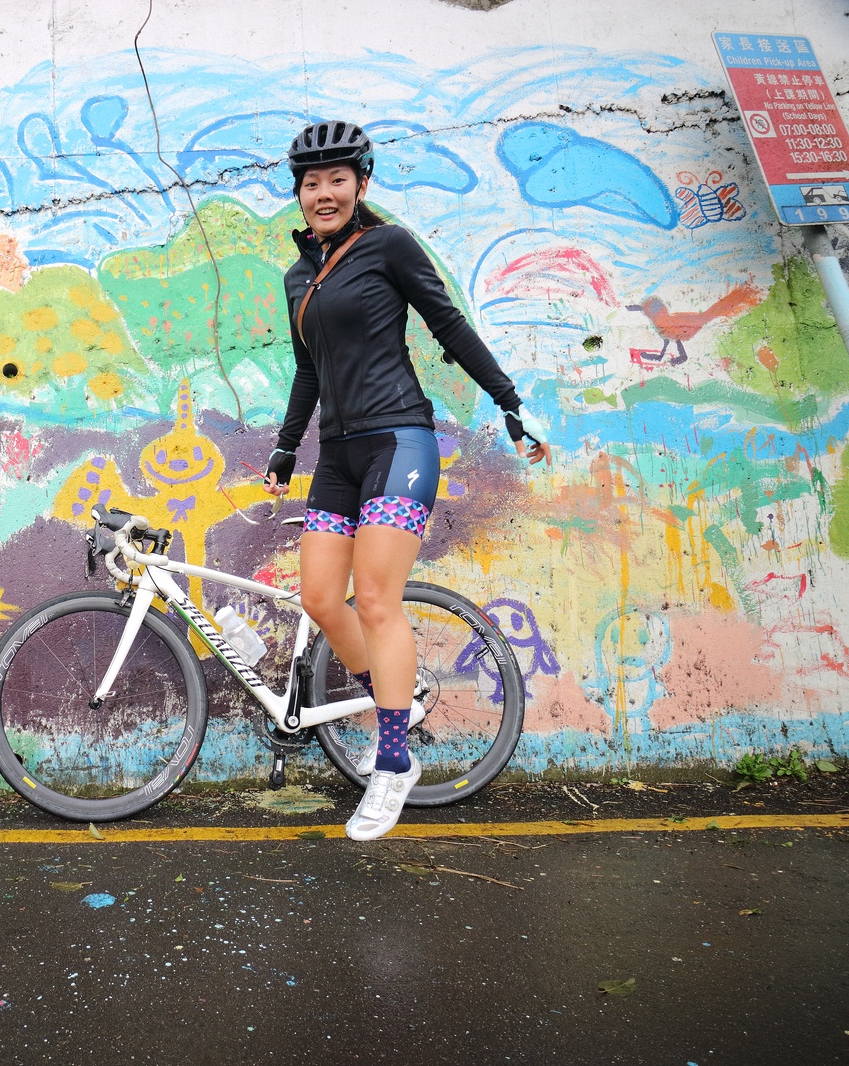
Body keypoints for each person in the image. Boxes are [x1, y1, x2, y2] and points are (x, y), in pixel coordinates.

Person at [262, 121, 551, 841]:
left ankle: (392, 761)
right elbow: (308, 369)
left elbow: (447, 323)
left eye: (337, 179)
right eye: (310, 183)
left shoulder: (388, 245)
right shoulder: (298, 277)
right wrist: (286, 447)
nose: (323, 193)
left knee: (375, 598)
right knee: (321, 599)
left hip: (399, 441)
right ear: (298, 194)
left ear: (361, 184)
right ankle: (400, 703)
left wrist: (508, 401)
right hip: (338, 455)